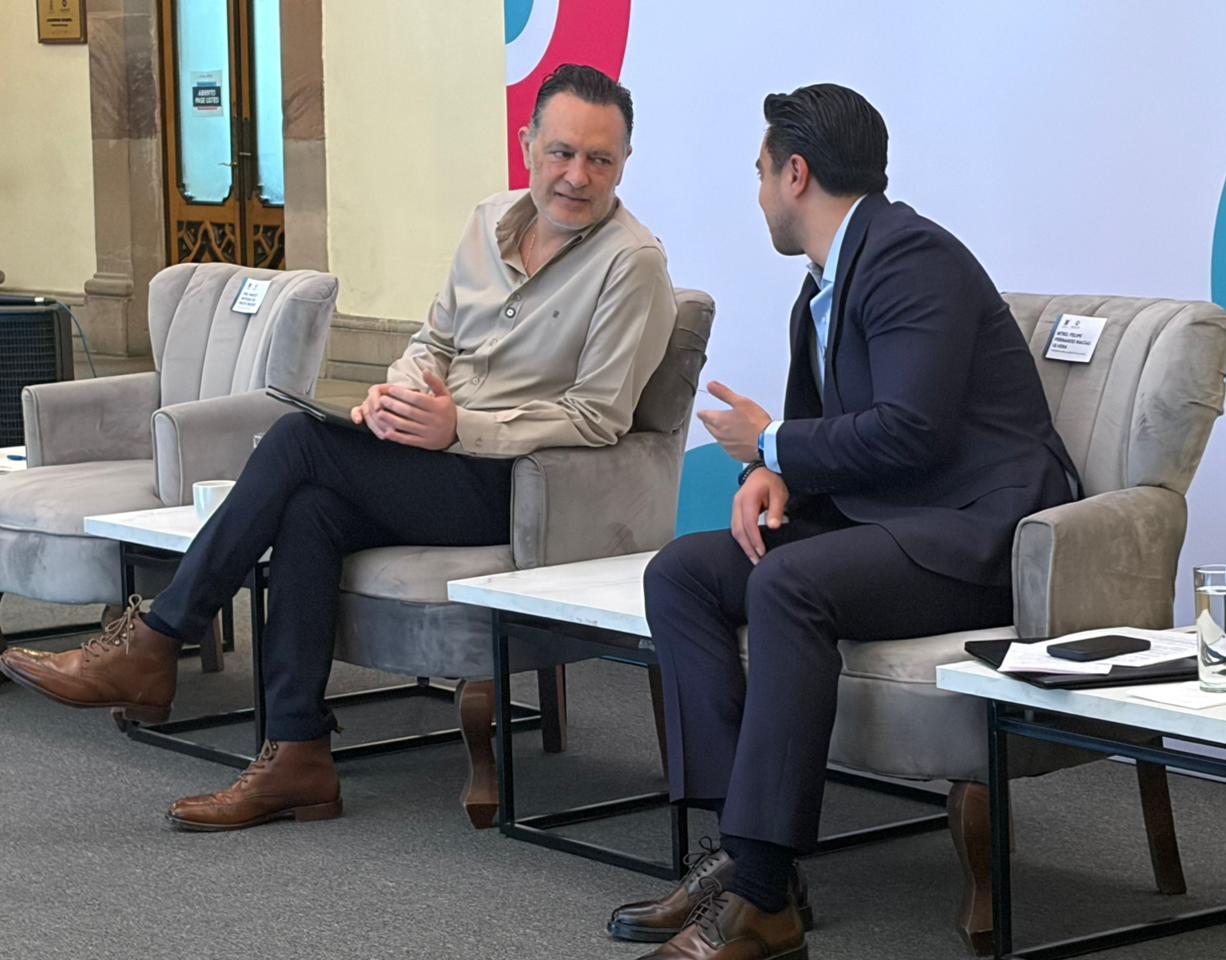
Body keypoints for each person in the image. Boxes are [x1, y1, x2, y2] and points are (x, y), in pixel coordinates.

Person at [0, 64, 677, 833]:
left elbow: (600, 417)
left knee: (297, 441)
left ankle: (157, 641)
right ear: (527, 144)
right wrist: (400, 396)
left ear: (625, 163)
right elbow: (434, 340)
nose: (577, 176)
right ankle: (297, 757)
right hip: (433, 456)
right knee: (311, 511)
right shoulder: (488, 221)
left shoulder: (633, 266)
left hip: (519, 487)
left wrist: (464, 430)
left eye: (600, 160)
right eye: (561, 152)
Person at [609, 84, 1078, 960]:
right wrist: (768, 475)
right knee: (681, 572)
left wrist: (774, 442)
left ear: (796, 173)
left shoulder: (912, 259)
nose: (754, 194)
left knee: (788, 581)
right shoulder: (821, 287)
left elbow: (913, 428)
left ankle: (761, 901)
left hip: (971, 532)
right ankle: (751, 867)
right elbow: (821, 444)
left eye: (758, 173)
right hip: (883, 523)